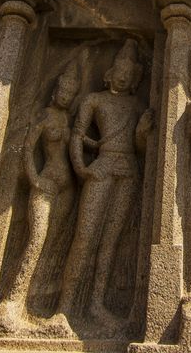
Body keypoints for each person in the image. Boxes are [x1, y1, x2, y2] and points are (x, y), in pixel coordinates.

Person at [52, 40, 147, 327]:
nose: (123, 75)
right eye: (119, 70)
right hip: (102, 167)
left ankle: (96, 304)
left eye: (129, 73)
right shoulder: (94, 100)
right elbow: (78, 135)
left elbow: (141, 145)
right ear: (108, 73)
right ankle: (64, 307)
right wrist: (81, 168)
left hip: (127, 169)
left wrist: (143, 130)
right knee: (85, 235)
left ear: (135, 78)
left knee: (110, 241)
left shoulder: (137, 104)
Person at [0, 60, 82, 329]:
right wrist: (36, 179)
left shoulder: (68, 118)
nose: (67, 96)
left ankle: (37, 302)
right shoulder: (44, 115)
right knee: (36, 239)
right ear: (56, 91)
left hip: (67, 187)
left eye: (71, 93)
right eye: (64, 91)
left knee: (54, 243)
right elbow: (27, 149)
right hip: (46, 182)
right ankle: (11, 300)